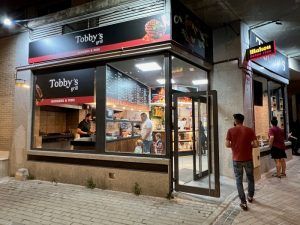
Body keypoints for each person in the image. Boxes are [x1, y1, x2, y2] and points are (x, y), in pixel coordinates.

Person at [225, 113, 258, 211]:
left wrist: (235, 147)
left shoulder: (230, 130)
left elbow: (227, 144)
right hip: (248, 159)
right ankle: (250, 197)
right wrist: (248, 146)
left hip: (237, 159)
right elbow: (256, 144)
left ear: (235, 121)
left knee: (239, 181)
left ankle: (243, 202)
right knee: (250, 178)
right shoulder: (250, 130)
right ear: (243, 121)